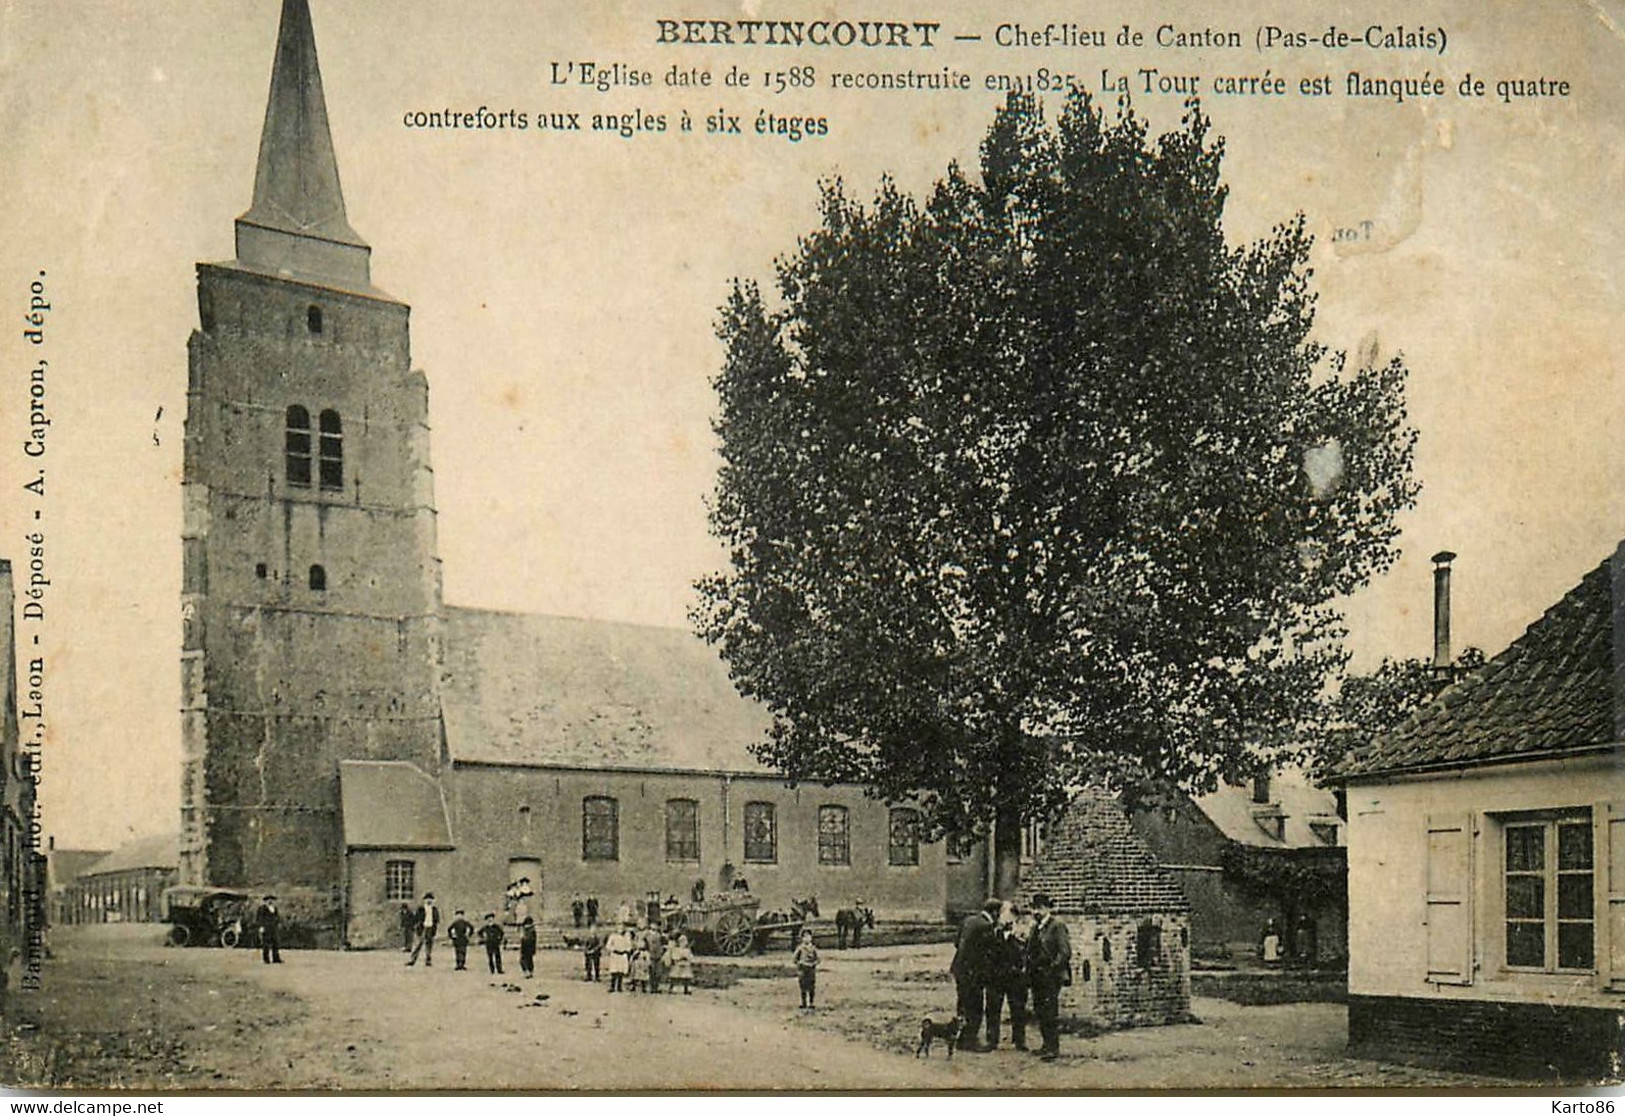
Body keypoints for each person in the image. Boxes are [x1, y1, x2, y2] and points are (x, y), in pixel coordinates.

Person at [1025, 892, 1072, 1061]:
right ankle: (1046, 1044)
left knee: (1049, 1011)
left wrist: (1053, 969)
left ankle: (1053, 1048)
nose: (1036, 912)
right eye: (1033, 908)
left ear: (1047, 909)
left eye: (1039, 908)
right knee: (1040, 1010)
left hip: (1050, 976)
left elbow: (1065, 952)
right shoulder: (1035, 927)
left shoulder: (1057, 925)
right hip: (1036, 975)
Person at [949, 899, 999, 1050]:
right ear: (995, 913)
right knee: (975, 1007)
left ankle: (959, 1038)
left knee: (963, 1004)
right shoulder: (986, 926)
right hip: (973, 973)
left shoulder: (968, 920)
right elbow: (990, 951)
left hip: (959, 969)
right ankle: (969, 1040)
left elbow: (956, 943)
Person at [985, 900, 1030, 1050]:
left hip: (1015, 978)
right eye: (1005, 914)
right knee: (992, 1009)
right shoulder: (991, 931)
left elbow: (1025, 953)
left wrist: (1018, 938)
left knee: (1018, 1009)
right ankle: (992, 1040)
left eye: (1011, 915)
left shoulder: (1021, 934)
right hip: (995, 977)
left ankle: (1019, 1041)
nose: (1008, 918)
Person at [406, 892, 440, 967]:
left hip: (430, 927)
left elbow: (437, 920)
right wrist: (417, 926)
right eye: (427, 899)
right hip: (422, 928)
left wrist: (435, 928)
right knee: (418, 944)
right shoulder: (421, 909)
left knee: (429, 945)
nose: (429, 901)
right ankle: (412, 959)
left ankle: (428, 960)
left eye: (430, 899)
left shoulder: (434, 909)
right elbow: (416, 918)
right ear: (424, 900)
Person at [792, 928, 820, 1009]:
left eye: (808, 936)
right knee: (803, 987)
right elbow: (794, 959)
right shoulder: (800, 948)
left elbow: (818, 959)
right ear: (802, 938)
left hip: (811, 969)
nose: (807, 939)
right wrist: (799, 963)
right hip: (802, 970)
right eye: (804, 937)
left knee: (811, 986)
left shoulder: (813, 948)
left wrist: (814, 963)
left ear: (811, 938)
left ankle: (811, 1003)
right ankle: (803, 1002)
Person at [605, 923, 632, 993]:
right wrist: (613, 949)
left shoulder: (627, 936)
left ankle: (619, 986)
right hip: (615, 955)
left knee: (621, 971)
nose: (621, 929)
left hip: (622, 955)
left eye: (622, 928)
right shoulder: (613, 936)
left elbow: (629, 945)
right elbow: (608, 945)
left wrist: (626, 950)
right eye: (619, 928)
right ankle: (612, 986)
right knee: (614, 971)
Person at [255, 895, 283, 964]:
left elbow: (277, 917)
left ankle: (276, 958)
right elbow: (259, 918)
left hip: (274, 928)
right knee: (266, 944)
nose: (270, 901)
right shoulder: (261, 909)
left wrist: (277, 922)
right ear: (265, 901)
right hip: (266, 928)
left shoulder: (274, 909)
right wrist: (261, 927)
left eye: (272, 900)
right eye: (268, 900)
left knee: (275, 944)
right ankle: (266, 959)